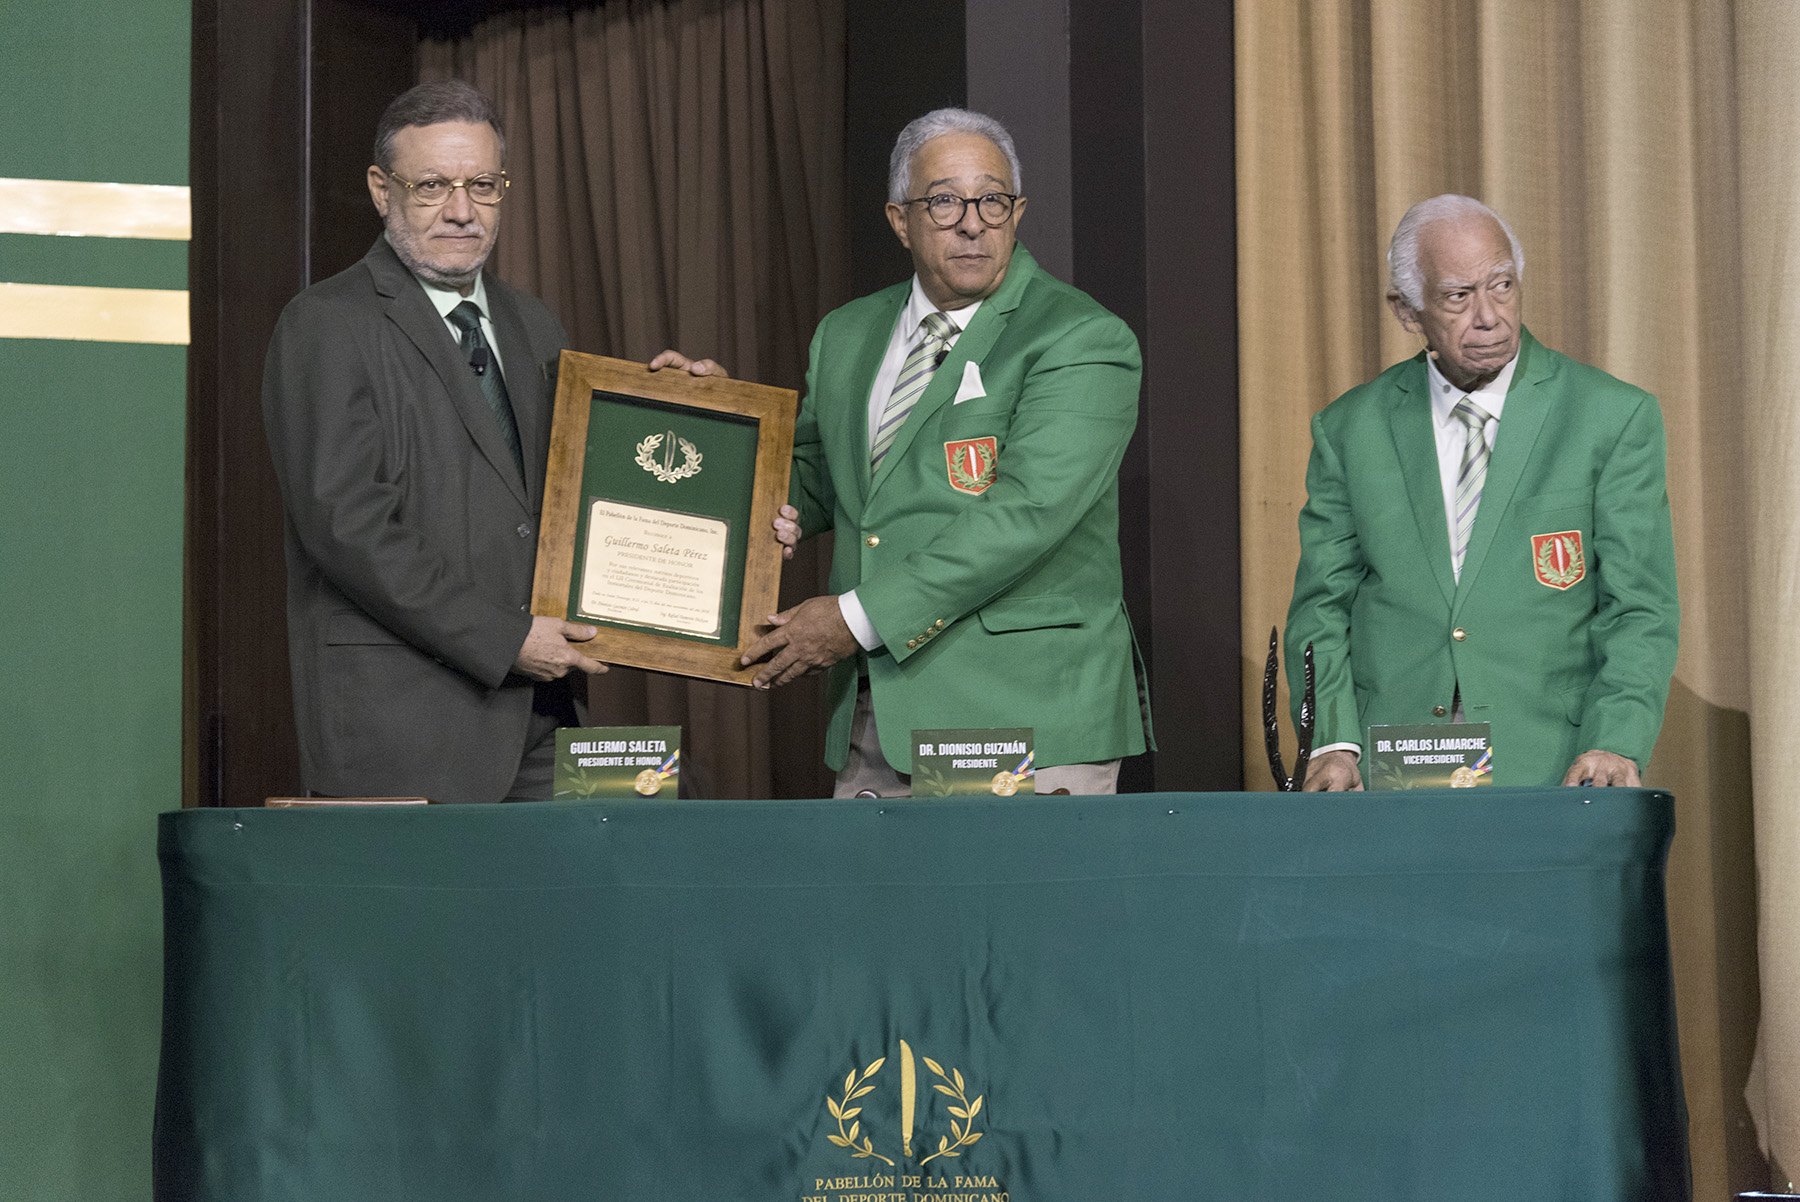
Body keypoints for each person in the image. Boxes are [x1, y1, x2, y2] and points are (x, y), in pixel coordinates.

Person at [262, 80, 714, 803]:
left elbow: (579, 492)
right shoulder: (325, 323)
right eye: (433, 185)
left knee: (643, 852)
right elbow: (347, 526)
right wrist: (507, 639)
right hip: (407, 727)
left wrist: (689, 416)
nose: (462, 210)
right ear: (382, 191)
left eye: (483, 185)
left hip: (542, 716)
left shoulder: (532, 322)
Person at [735, 107, 1150, 796]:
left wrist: (850, 620)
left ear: (1017, 213)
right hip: (882, 714)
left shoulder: (1081, 337)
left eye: (992, 199)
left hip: (1029, 721)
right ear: (901, 220)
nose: (972, 221)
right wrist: (712, 424)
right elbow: (815, 479)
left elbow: (1025, 517)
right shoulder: (845, 333)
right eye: (945, 200)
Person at [1284, 194, 1679, 790]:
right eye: (1458, 296)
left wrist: (1613, 739)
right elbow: (1321, 606)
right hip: (1393, 765)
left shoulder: (1609, 417)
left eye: (1502, 285)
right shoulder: (1350, 429)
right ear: (1407, 310)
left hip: (1556, 762)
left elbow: (1639, 608)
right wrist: (1333, 745)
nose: (1489, 315)